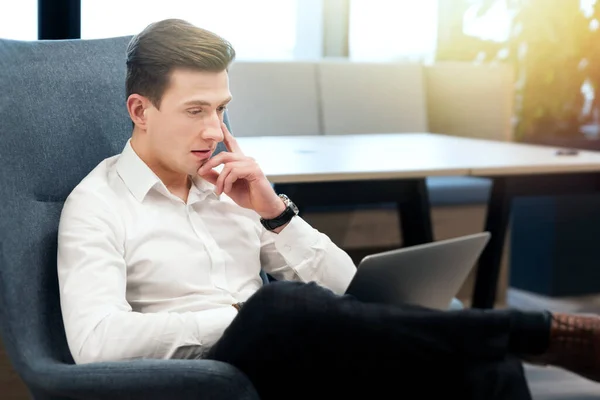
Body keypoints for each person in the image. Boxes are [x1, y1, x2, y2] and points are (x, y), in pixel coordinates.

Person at [57, 18, 600, 400]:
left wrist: (274, 213)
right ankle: (538, 331)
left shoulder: (231, 183)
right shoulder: (98, 204)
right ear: (140, 110)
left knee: (483, 361)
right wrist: (239, 317)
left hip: (303, 356)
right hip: (208, 372)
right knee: (278, 306)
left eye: (222, 110)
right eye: (195, 110)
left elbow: (349, 292)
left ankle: (523, 338)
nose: (213, 132)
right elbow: (97, 342)